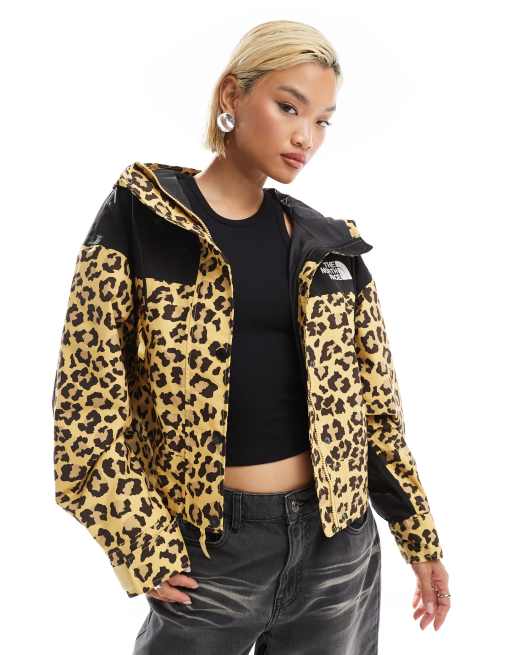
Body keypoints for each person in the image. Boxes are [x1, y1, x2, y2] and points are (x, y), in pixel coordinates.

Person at [52, 19, 450, 654]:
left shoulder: (330, 246)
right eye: (289, 107)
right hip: (208, 553)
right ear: (232, 95)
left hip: (338, 549)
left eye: (322, 121)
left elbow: (375, 412)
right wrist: (142, 544)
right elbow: (86, 406)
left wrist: (420, 540)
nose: (305, 137)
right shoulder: (144, 218)